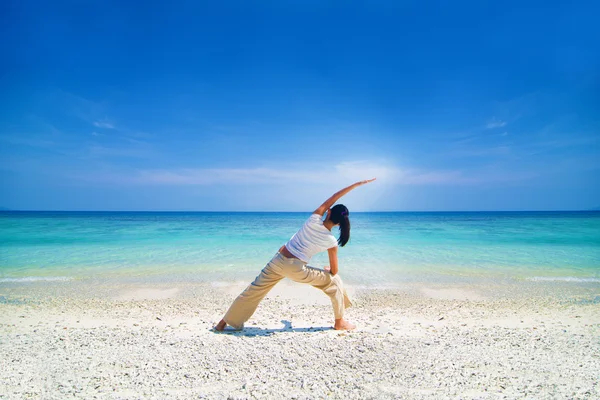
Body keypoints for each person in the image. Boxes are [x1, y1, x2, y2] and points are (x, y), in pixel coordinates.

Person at [214, 178, 376, 332]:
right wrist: (328, 270)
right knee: (334, 281)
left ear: (328, 212)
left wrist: (355, 185)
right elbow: (334, 271)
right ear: (340, 223)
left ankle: (223, 323)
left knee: (253, 291)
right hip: (296, 269)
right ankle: (339, 322)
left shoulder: (313, 219)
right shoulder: (331, 241)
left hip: (277, 260)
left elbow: (333, 197)